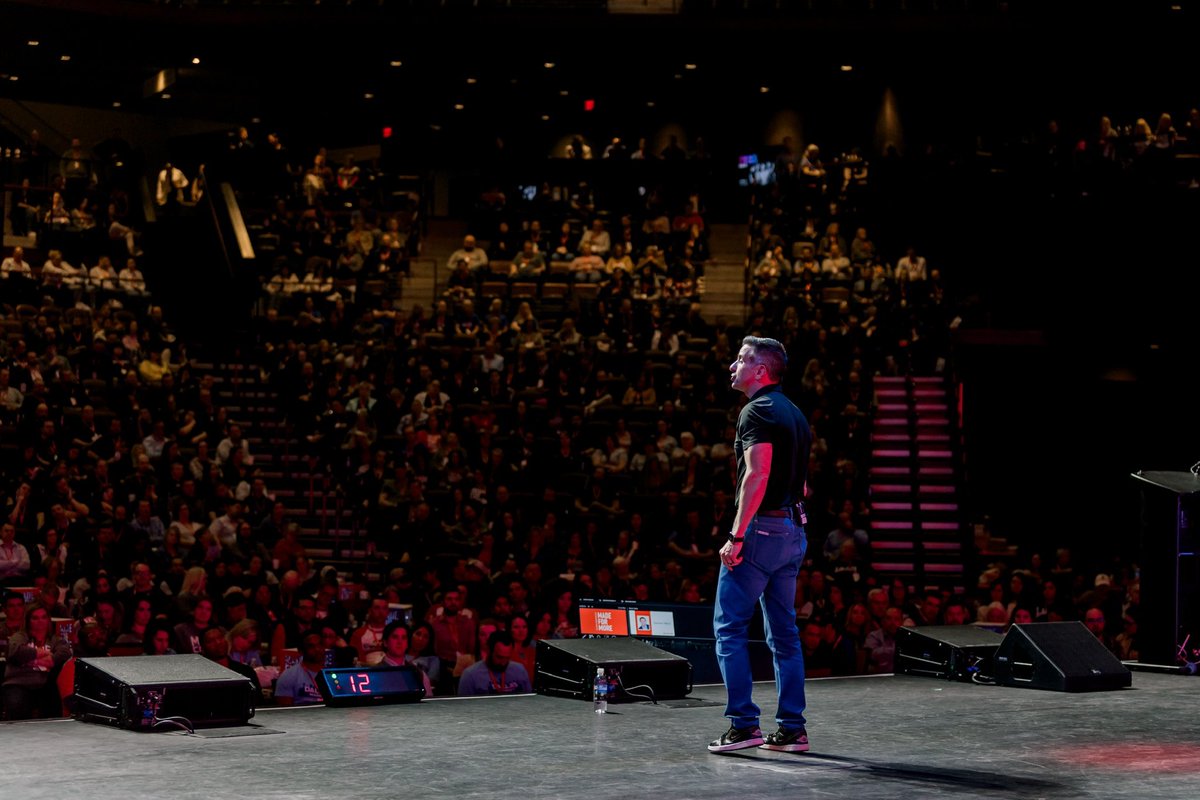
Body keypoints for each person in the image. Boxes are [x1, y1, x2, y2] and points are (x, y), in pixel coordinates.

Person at [710, 336, 812, 754]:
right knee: (784, 634)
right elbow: (802, 482)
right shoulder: (795, 414)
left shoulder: (757, 410)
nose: (732, 366)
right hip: (793, 531)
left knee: (729, 627)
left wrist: (737, 535)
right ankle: (792, 729)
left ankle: (743, 724)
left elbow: (758, 473)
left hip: (762, 533)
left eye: (741, 360)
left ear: (761, 371)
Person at [3, 605, 72, 719]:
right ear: (28, 620)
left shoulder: (55, 639)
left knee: (54, 701)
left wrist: (33, 661)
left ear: (48, 620)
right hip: (19, 683)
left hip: (45, 684)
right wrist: (42, 653)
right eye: (35, 618)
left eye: (44, 617)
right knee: (17, 703)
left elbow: (65, 653)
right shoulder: (20, 636)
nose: (40, 621)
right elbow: (14, 650)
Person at [456, 630, 531, 696]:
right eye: (499, 657)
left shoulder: (520, 671)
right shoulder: (471, 675)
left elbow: (529, 702)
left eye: (507, 658)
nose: (503, 663)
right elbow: (465, 708)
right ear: (489, 651)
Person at [273, 631, 326, 706]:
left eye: (320, 645)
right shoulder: (288, 676)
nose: (317, 649)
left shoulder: (331, 673)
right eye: (311, 646)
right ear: (301, 651)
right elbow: (284, 713)